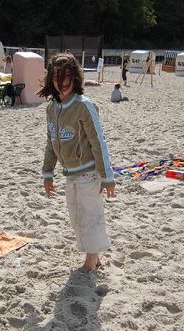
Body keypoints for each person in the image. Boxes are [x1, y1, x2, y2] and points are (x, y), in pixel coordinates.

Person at [38, 54, 116, 271]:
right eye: (56, 76)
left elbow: (98, 141)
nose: (61, 82)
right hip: (69, 173)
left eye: (66, 77)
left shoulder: (84, 106)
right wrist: (47, 173)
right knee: (76, 217)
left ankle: (91, 259)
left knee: (90, 215)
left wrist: (107, 176)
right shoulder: (52, 108)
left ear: (75, 78)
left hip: (89, 173)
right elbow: (51, 142)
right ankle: (94, 256)